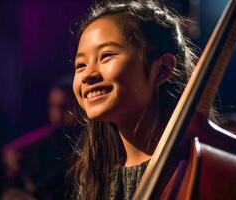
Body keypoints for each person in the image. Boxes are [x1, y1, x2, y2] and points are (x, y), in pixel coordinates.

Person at [67, 0, 215, 199]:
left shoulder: (204, 170)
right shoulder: (95, 181)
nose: (87, 75)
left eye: (106, 56)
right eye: (81, 65)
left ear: (162, 69)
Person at [2, 75, 78, 200]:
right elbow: (12, 149)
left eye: (64, 107)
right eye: (53, 106)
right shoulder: (51, 136)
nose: (57, 114)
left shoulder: (85, 143)